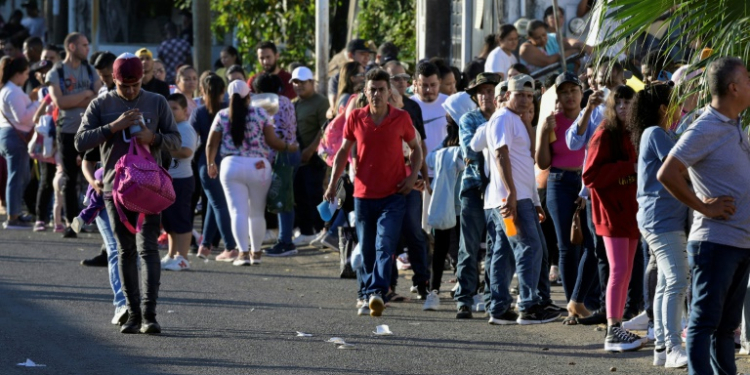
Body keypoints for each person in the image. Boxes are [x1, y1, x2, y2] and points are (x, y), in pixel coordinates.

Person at [75, 53, 182, 334]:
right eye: (125, 86)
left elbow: (175, 138)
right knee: (125, 251)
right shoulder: (101, 103)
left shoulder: (156, 102)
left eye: (135, 85)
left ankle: (149, 316)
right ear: (114, 79)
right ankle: (132, 315)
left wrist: (155, 138)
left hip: (149, 187)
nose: (131, 91)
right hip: (115, 189)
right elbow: (80, 141)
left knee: (147, 248)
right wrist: (113, 126)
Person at [658, 57, 750, 375]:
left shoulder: (734, 125)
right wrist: (704, 206)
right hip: (716, 243)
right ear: (733, 87)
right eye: (748, 79)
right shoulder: (706, 126)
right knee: (704, 323)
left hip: (739, 241)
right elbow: (667, 172)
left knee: (727, 328)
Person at [324, 68, 422, 317]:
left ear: (389, 92)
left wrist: (412, 177)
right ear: (365, 92)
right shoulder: (355, 117)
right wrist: (332, 184)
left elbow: (416, 148)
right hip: (363, 196)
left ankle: (377, 292)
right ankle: (365, 293)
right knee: (367, 248)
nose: (377, 94)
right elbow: (343, 153)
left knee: (384, 244)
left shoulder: (401, 117)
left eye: (381, 89)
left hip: (394, 194)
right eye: (373, 89)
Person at [485, 74, 560, 324]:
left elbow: (527, 158)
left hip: (520, 199)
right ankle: (528, 306)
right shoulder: (502, 119)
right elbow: (501, 156)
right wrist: (512, 195)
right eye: (520, 95)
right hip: (510, 202)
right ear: (507, 95)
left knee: (506, 250)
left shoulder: (517, 119)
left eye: (530, 96)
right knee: (531, 247)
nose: (526, 101)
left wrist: (536, 202)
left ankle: (499, 308)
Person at [629, 83, 688, 368]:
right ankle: (673, 346)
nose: (682, 104)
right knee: (677, 279)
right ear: (664, 108)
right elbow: (679, 167)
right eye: (676, 101)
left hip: (663, 219)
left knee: (667, 282)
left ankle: (663, 348)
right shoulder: (655, 133)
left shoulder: (661, 133)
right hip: (661, 220)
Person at [206, 80, 296, 266]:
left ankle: (242, 254)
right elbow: (273, 142)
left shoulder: (222, 115)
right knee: (256, 213)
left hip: (231, 166)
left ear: (229, 96)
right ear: (249, 95)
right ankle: (256, 254)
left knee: (238, 212)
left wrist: (210, 164)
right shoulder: (262, 113)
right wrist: (289, 146)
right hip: (259, 166)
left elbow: (210, 143)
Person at [582, 84, 643, 351]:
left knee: (626, 272)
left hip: (630, 213)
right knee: (618, 271)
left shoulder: (633, 133)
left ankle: (617, 327)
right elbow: (590, 176)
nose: (623, 107)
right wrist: (627, 167)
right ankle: (612, 330)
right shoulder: (604, 133)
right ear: (612, 106)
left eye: (628, 103)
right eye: (619, 103)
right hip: (610, 213)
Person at [535, 72, 597, 322]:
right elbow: (542, 162)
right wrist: (542, 132)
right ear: (558, 96)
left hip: (588, 182)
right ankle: (573, 302)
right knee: (567, 246)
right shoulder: (553, 121)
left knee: (591, 244)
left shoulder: (594, 116)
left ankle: (589, 300)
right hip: (559, 183)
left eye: (574, 90)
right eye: (564, 91)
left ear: (582, 93)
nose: (569, 95)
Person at [46, 32, 101, 238]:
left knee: (93, 176)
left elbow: (97, 98)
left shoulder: (90, 70)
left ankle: (92, 218)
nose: (88, 49)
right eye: (84, 45)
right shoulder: (57, 72)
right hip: (67, 131)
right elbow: (60, 103)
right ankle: (72, 222)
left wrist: (78, 99)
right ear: (71, 47)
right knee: (70, 177)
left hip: (89, 131)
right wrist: (85, 95)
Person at [454, 73, 498, 318]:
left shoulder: (505, 117)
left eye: (490, 90)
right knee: (469, 246)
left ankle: (492, 297)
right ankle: (464, 297)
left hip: (500, 188)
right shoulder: (469, 119)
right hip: (473, 187)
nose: (486, 96)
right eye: (481, 92)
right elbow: (471, 148)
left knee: (497, 245)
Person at [252, 73, 299, 256]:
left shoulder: (267, 105)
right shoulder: (287, 101)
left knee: (283, 199)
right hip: (291, 152)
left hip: (280, 156)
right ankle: (284, 239)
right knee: (284, 197)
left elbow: (272, 136)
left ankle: (285, 242)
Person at [191, 73, 237, 261]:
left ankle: (229, 246)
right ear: (223, 91)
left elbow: (192, 138)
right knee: (214, 202)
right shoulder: (229, 110)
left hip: (206, 160)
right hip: (227, 159)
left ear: (201, 90)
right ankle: (207, 245)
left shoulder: (199, 112)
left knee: (216, 202)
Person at [291, 66, 330, 247]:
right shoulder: (294, 103)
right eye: (295, 82)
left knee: (314, 195)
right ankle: (306, 230)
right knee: (300, 196)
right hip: (297, 159)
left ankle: (319, 230)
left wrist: (311, 149)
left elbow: (326, 128)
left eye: (302, 82)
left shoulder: (321, 102)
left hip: (314, 159)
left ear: (311, 83)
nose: (298, 85)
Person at [160, 93, 199, 271]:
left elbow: (186, 152)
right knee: (169, 221)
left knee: (181, 220)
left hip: (182, 181)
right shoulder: (167, 129)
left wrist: (162, 148)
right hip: (167, 180)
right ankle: (171, 254)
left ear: (185, 110)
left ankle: (183, 258)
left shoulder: (185, 128)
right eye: (168, 108)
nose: (171, 112)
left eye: (175, 108)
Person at [0, 57, 39, 229]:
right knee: (17, 177)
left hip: (10, 136)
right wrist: (38, 103)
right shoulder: (13, 91)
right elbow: (22, 117)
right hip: (15, 137)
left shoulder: (9, 89)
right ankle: (12, 216)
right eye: (25, 74)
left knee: (21, 175)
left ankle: (14, 212)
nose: (27, 77)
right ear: (17, 74)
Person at [411, 62, 449, 159]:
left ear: (440, 82)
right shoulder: (408, 106)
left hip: (443, 168)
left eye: (433, 85)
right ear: (415, 84)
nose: (429, 90)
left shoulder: (449, 104)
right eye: (424, 85)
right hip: (416, 169)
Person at [327, 39, 373, 111]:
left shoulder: (372, 75)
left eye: (368, 55)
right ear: (350, 55)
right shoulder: (336, 78)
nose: (366, 58)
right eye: (362, 54)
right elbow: (335, 107)